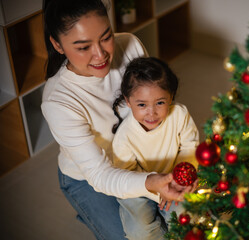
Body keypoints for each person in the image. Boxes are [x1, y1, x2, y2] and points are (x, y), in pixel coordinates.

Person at [41, 0, 195, 239]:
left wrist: (177, 171)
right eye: (83, 47)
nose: (101, 54)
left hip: (143, 159)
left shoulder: (131, 45)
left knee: (187, 222)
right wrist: (153, 182)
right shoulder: (57, 101)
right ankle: (93, 208)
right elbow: (101, 175)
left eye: (106, 37)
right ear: (57, 45)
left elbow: (157, 102)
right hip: (91, 177)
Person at [111, 57, 199, 239]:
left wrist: (178, 180)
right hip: (139, 188)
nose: (151, 113)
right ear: (128, 101)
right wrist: (157, 190)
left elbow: (190, 147)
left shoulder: (179, 114)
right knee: (139, 230)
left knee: (188, 217)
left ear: (171, 97)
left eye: (160, 102)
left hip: (175, 179)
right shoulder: (124, 136)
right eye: (142, 105)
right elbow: (126, 175)